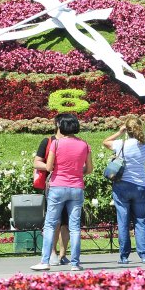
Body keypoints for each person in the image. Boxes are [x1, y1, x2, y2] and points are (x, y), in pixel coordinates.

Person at [31, 113, 92, 272]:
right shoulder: (84, 144)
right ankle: (75, 263)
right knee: (74, 226)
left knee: (50, 224)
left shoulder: (56, 144)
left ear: (60, 126)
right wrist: (76, 170)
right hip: (77, 187)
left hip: (58, 186)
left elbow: (49, 166)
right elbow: (89, 169)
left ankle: (45, 261)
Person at [102, 116, 145, 264]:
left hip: (122, 185)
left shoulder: (121, 144)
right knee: (141, 221)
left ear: (127, 130)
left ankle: (124, 256)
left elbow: (105, 142)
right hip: (140, 185)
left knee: (123, 222)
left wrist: (119, 132)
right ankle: (144, 255)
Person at [33, 115, 70, 266]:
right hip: (53, 184)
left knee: (66, 223)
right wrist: (52, 167)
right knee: (55, 221)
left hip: (70, 184)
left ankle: (63, 254)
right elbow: (36, 162)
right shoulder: (48, 141)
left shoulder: (73, 142)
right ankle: (52, 252)